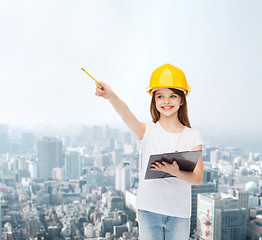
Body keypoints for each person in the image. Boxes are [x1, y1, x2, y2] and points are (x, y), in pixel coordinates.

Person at [94, 63, 203, 240]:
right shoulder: (147, 131)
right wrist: (111, 95)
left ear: (182, 99)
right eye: (160, 96)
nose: (166, 101)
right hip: (149, 210)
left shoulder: (193, 135)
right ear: (154, 100)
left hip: (179, 213)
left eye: (172, 95)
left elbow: (198, 178)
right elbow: (126, 115)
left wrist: (176, 172)